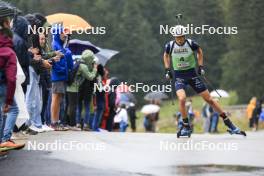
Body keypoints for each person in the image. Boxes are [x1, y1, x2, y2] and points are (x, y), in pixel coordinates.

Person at [163, 25, 246, 136]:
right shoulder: (170, 45)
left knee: (210, 100)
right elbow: (166, 55)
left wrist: (201, 66)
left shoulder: (191, 43)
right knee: (182, 99)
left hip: (192, 75)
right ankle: (186, 127)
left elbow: (200, 52)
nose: (179, 39)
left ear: (184, 36)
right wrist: (167, 69)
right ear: (174, 37)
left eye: (181, 37)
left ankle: (230, 125)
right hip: (179, 77)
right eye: (177, 37)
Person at [0, 0, 25, 153]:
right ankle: (5, 139)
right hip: (2, 85)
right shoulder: (9, 53)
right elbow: (11, 79)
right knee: (13, 109)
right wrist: (9, 100)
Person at [66, 49, 97, 130]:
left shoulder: (78, 62)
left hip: (76, 89)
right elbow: (91, 77)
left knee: (76, 107)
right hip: (77, 89)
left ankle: (76, 123)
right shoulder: (84, 66)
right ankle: (79, 124)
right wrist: (95, 69)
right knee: (81, 107)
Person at [50, 24, 73, 131]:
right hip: (57, 76)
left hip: (61, 76)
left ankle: (56, 121)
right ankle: (54, 123)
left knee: (58, 100)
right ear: (57, 34)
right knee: (55, 99)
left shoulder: (60, 46)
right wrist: (64, 70)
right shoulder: (55, 45)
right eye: (62, 32)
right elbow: (56, 63)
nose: (65, 35)